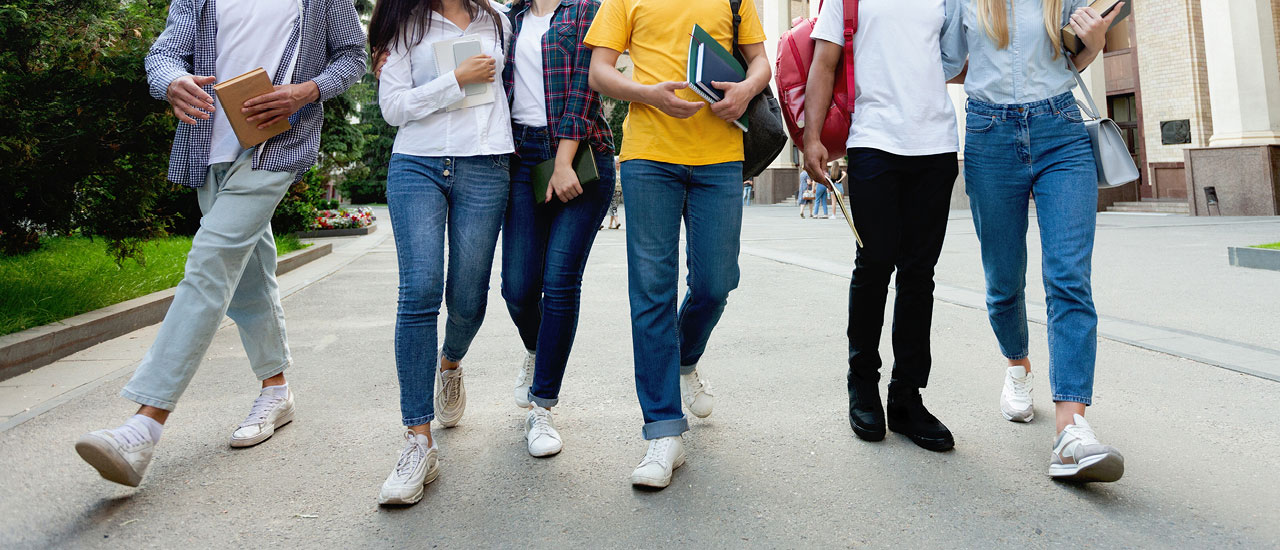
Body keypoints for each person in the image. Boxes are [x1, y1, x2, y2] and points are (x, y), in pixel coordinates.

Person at [73, 0, 365, 488]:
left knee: (209, 267)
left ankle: (144, 425)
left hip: (277, 145)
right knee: (248, 272)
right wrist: (171, 81)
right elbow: (165, 52)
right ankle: (276, 390)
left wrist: (305, 92)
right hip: (207, 149)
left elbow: (352, 56)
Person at [585, 0, 771, 489]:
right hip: (650, 156)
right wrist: (649, 94)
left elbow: (760, 61)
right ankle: (663, 431)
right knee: (651, 291)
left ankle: (685, 357)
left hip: (720, 157)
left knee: (716, 281)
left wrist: (747, 90)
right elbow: (600, 73)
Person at [941, 0, 1126, 482]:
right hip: (988, 132)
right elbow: (944, 62)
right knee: (1003, 280)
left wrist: (1097, 41)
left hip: (1061, 129)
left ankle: (1071, 429)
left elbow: (1073, 55)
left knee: (1068, 276)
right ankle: (1017, 365)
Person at [369, 0, 513, 504]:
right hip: (417, 165)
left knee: (469, 296)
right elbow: (393, 108)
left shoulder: (498, 19)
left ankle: (449, 363)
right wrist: (455, 78)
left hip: (486, 165)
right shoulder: (401, 25)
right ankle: (417, 440)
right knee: (420, 291)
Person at [802, 0, 960, 453]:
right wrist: (812, 138)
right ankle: (863, 385)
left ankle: (907, 397)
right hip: (874, 140)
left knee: (919, 275)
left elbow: (955, 56)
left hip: (935, 145)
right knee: (874, 264)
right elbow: (824, 62)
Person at [500, 0, 617, 459]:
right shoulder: (507, 18)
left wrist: (564, 161)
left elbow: (585, 88)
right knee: (517, 289)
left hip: (582, 156)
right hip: (521, 158)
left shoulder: (588, 9)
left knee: (560, 284)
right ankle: (536, 349)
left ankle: (542, 405)